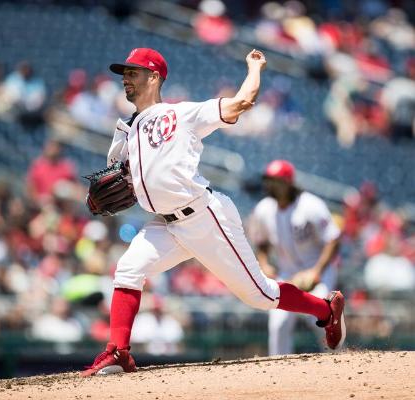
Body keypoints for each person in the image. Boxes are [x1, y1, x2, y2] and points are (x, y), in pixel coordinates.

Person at [81, 47, 346, 377]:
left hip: (205, 218)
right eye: (123, 74)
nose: (125, 80)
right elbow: (122, 177)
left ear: (153, 76)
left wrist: (254, 68)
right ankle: (118, 352)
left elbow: (241, 102)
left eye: (132, 73)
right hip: (165, 224)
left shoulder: (182, 114)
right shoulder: (126, 129)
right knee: (128, 269)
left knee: (261, 295)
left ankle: (325, 308)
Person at [248, 160, 341, 355]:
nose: (271, 185)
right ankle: (278, 371)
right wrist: (264, 263)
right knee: (278, 324)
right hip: (287, 272)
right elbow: (261, 241)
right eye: (269, 180)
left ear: (289, 182)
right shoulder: (264, 209)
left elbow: (333, 239)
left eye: (277, 181)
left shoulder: (310, 205)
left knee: (322, 319)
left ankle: (339, 361)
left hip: (317, 269)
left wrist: (316, 271)